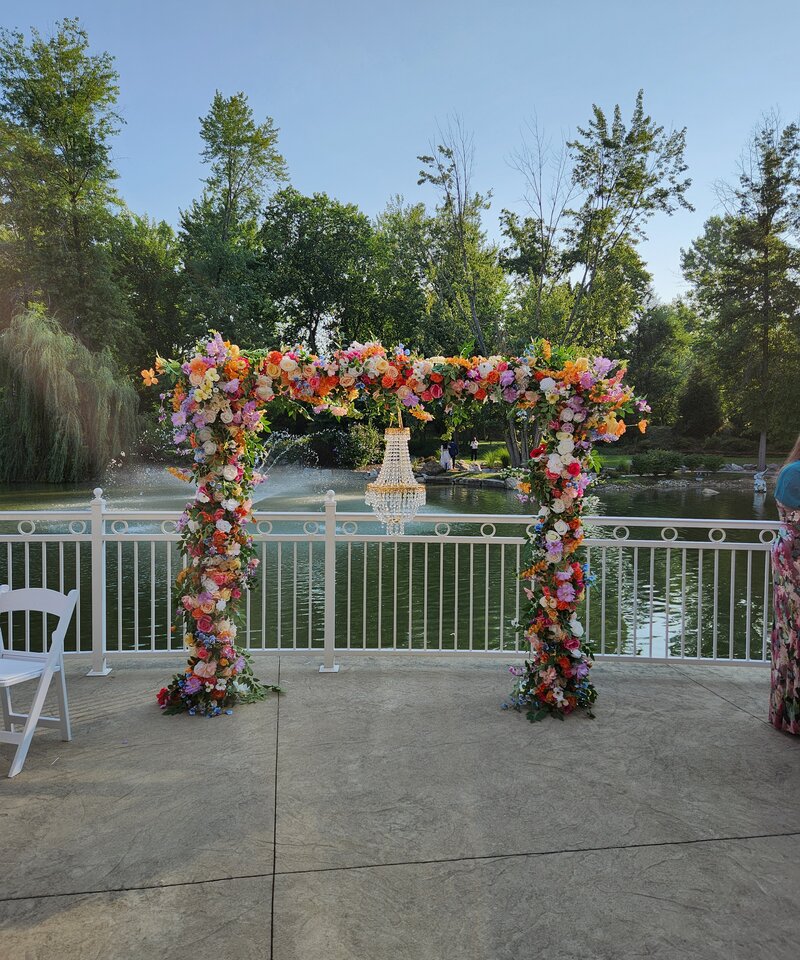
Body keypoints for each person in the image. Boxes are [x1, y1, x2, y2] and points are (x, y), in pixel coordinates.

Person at [770, 436, 800, 735]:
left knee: (790, 634)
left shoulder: (791, 471)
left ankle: (788, 713)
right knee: (793, 634)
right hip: (796, 557)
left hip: (788, 553)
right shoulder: (795, 473)